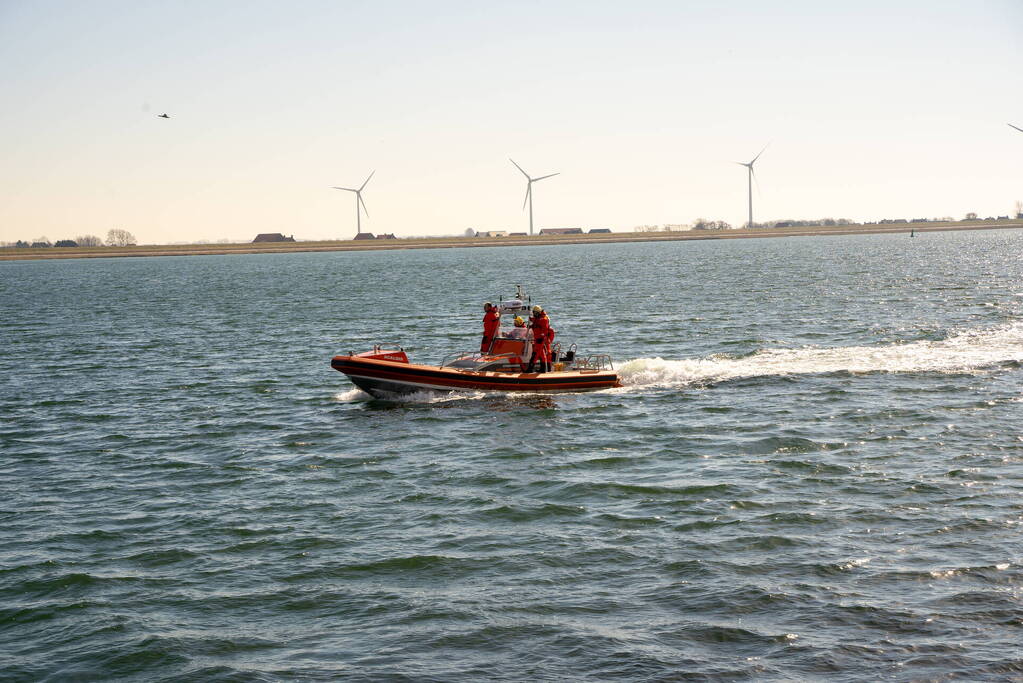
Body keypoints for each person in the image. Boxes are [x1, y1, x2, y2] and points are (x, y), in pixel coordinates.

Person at [526, 305, 551, 373]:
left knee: (535, 354)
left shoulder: (543, 319)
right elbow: (535, 323)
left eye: (535, 313)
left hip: (540, 339)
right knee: (542, 355)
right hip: (537, 338)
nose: (534, 314)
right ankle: (543, 369)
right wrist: (530, 325)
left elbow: (544, 330)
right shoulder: (538, 318)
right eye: (533, 313)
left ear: (538, 312)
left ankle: (530, 369)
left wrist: (541, 337)